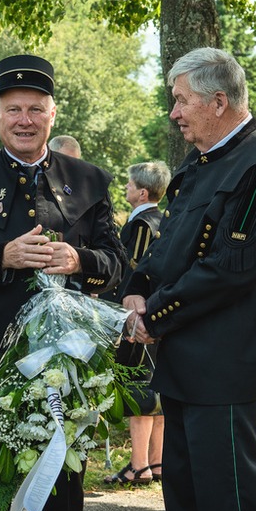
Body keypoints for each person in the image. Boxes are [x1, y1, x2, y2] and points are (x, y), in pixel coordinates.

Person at [0, 54, 125, 511]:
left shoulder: (90, 181)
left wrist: (80, 260)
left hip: (63, 369)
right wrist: (1, 258)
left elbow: (117, 265)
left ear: (53, 114)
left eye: (36, 109)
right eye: (13, 110)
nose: (25, 120)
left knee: (56, 491)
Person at [122, 47, 256, 511]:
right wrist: (137, 285)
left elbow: (230, 270)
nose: (173, 113)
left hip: (226, 368)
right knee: (185, 496)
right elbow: (171, 240)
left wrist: (154, 315)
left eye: (181, 101)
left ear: (218, 102)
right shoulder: (202, 161)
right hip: (186, 362)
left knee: (227, 501)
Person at [102, 161, 170, 486]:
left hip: (138, 318)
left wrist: (126, 313)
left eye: (129, 185)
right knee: (155, 390)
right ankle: (157, 463)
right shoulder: (165, 220)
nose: (126, 190)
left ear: (142, 192)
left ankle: (139, 465)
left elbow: (136, 272)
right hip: (158, 316)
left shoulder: (143, 224)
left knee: (138, 387)